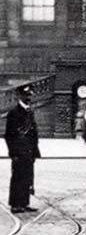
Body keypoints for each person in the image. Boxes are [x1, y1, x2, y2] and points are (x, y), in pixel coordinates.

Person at [4, 85, 40, 214]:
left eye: (29, 95)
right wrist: (13, 152)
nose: (28, 98)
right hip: (19, 151)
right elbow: (9, 135)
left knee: (27, 177)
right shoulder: (14, 112)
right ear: (19, 96)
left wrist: (35, 150)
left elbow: (34, 133)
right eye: (26, 95)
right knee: (17, 177)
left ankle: (24, 203)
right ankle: (15, 204)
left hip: (29, 151)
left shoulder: (29, 112)